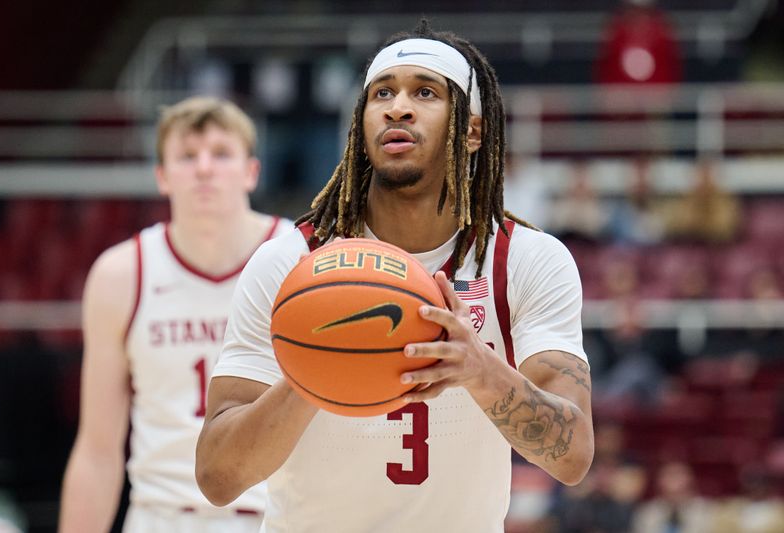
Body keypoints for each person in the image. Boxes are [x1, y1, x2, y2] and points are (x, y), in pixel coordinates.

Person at [196, 21, 594, 532]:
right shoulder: (288, 263)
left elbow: (572, 455)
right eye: (382, 93)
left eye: (424, 92)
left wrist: (480, 369)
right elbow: (217, 476)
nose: (397, 107)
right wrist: (311, 373)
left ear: (472, 131)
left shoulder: (527, 261)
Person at [59, 96, 290, 533]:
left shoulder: (298, 260)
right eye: (187, 156)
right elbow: (97, 450)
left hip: (272, 517)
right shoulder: (121, 273)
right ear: (162, 177)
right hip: (161, 517)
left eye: (221, 153)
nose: (204, 168)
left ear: (251, 172)